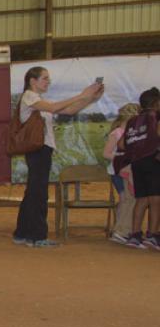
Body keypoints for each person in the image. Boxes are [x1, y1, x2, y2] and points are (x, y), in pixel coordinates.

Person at [12, 67, 104, 248]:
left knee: (33, 192)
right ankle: (37, 237)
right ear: (32, 80)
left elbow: (68, 111)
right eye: (45, 78)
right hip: (38, 150)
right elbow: (55, 107)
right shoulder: (29, 96)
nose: (48, 82)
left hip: (41, 150)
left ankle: (22, 234)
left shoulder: (38, 100)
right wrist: (81, 94)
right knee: (38, 193)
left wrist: (90, 97)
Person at [119, 87, 160, 250]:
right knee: (156, 199)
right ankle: (153, 235)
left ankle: (135, 236)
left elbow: (121, 144)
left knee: (142, 199)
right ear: (157, 103)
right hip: (153, 160)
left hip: (136, 162)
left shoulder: (132, 120)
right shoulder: (156, 116)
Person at [102, 103, 140, 243]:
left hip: (129, 171)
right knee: (126, 199)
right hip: (117, 171)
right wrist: (122, 159)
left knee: (129, 200)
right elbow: (106, 153)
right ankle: (119, 231)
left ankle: (123, 229)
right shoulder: (117, 132)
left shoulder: (132, 133)